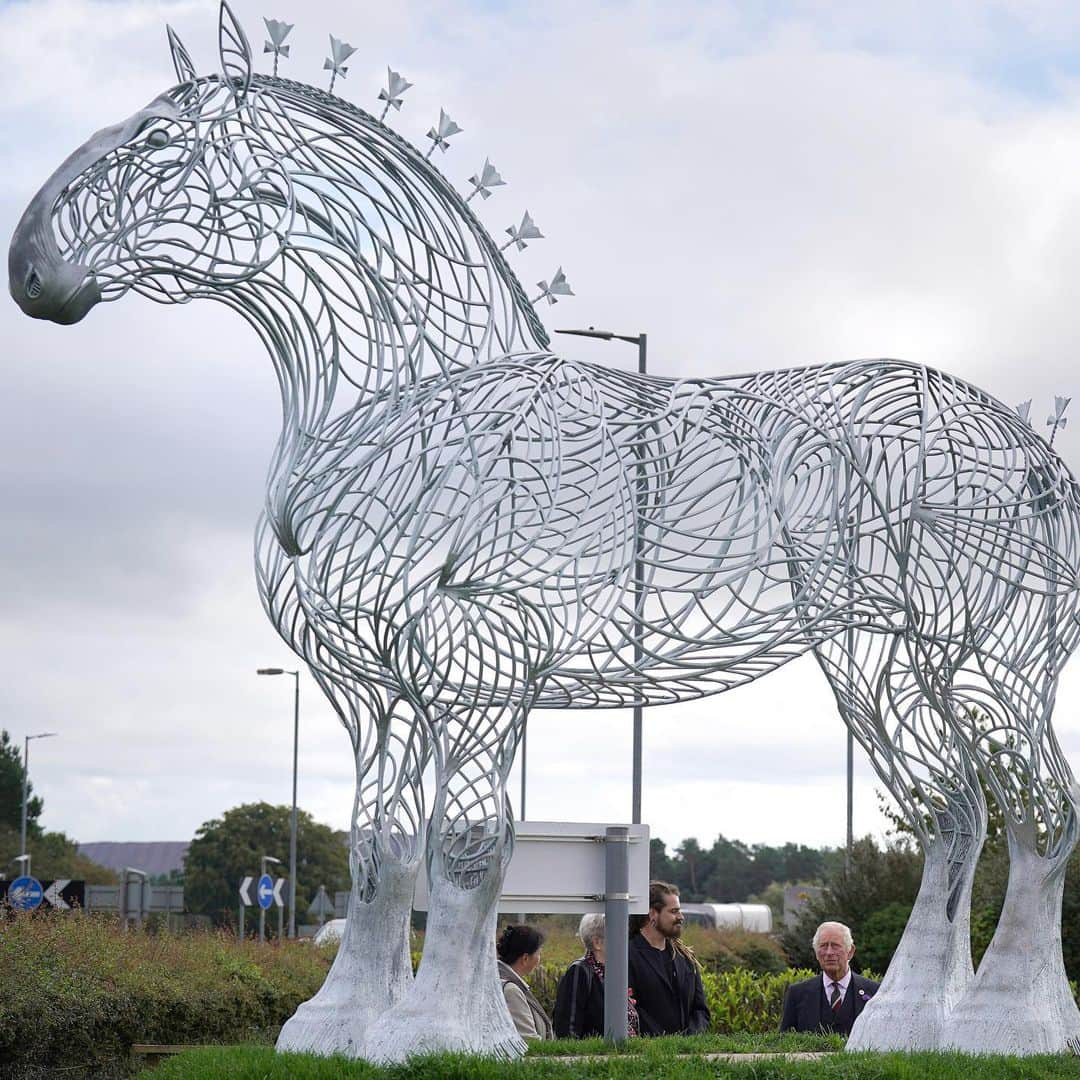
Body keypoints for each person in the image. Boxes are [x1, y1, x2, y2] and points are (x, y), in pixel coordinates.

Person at [627, 880, 710, 1036]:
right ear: (652, 914)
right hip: (645, 1054)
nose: (681, 917)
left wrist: (691, 1038)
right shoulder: (626, 956)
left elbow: (700, 1010)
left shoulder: (685, 957)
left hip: (686, 1053)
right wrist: (662, 1041)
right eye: (674, 911)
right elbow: (629, 1010)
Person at [779, 921, 880, 1035]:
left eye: (835, 946)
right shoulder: (797, 994)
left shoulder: (875, 992)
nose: (829, 952)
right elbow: (784, 1040)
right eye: (823, 946)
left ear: (850, 951)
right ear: (816, 953)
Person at [553, 913, 640, 1038]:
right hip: (595, 1056)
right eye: (619, 935)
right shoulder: (579, 971)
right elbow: (567, 1030)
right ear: (597, 943)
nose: (625, 942)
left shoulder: (615, 972)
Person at [496, 923, 554, 1041]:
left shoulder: (500, 981)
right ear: (525, 958)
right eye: (538, 953)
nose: (539, 959)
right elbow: (528, 1040)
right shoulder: (511, 991)